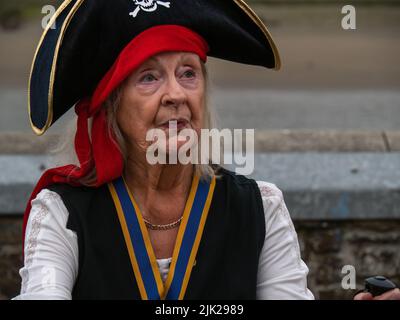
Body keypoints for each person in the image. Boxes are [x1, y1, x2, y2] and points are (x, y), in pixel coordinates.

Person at [14, 1, 397, 300]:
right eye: (149, 77)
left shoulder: (260, 208)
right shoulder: (61, 214)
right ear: (110, 105)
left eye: (188, 73)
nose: (176, 95)